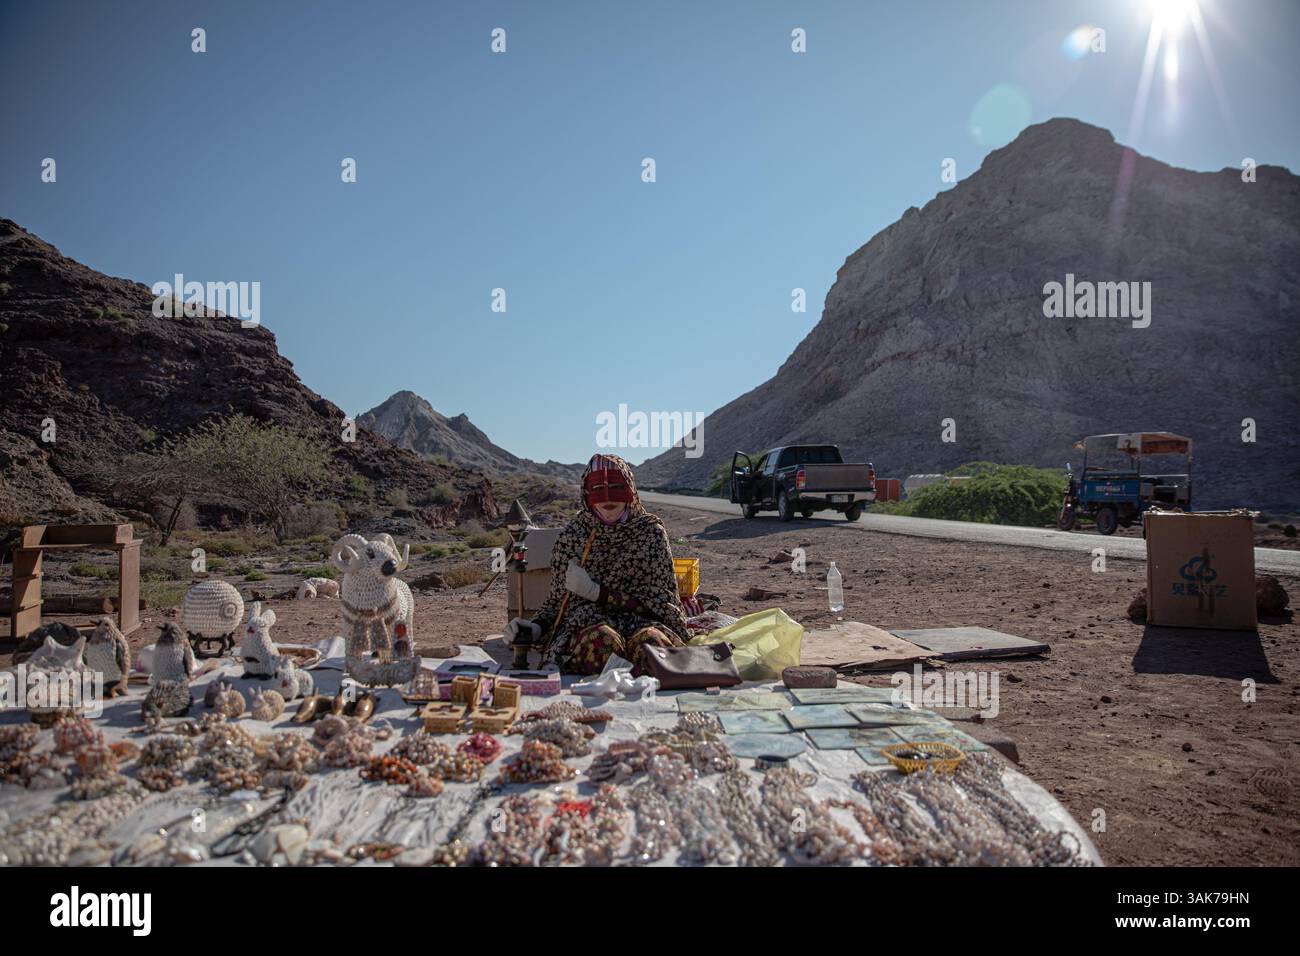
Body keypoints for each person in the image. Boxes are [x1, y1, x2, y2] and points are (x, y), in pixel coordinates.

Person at [505, 453, 688, 674]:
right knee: (601, 643)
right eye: (598, 488)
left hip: (645, 623)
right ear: (586, 493)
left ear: (630, 490)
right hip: (588, 625)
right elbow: (557, 602)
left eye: (616, 486)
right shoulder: (574, 537)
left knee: (651, 646)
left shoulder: (650, 534)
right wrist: (535, 627)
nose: (607, 497)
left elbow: (663, 602)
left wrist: (597, 593)